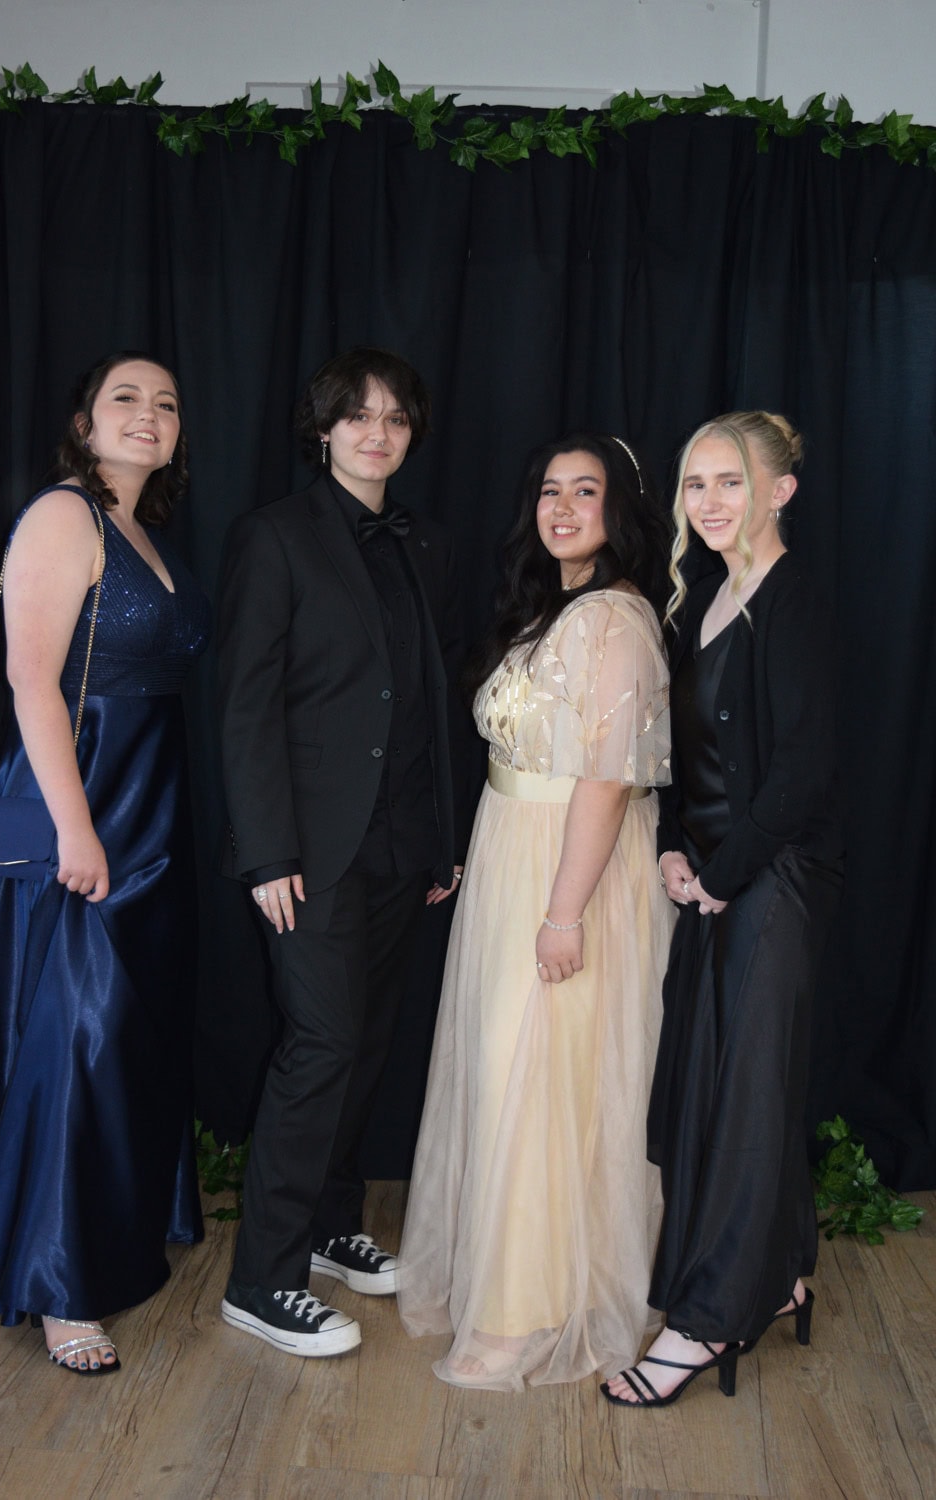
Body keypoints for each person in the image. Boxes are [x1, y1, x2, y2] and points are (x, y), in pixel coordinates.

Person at [397, 432, 675, 1390]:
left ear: (619, 509)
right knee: (509, 1075)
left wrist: (564, 913)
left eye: (584, 491)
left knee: (548, 1082)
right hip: (516, 853)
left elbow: (606, 781)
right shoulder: (553, 611)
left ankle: (527, 1313)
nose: (562, 508)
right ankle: (508, 1285)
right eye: (550, 491)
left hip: (571, 870)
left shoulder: (617, 620)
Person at [0, 353, 211, 1374]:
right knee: (76, 1032)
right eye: (125, 399)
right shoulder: (65, 516)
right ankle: (59, 1286)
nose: (149, 415)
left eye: (166, 403)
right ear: (83, 421)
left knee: (126, 1030)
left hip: (152, 801)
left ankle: (119, 1227)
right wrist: (73, 827)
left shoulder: (144, 532)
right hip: (84, 795)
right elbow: (31, 680)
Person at [216, 347, 466, 1358]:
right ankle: (261, 1281)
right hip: (308, 852)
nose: (377, 433)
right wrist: (265, 851)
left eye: (395, 418)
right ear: (323, 430)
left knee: (363, 1045)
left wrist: (443, 839)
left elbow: (433, 700)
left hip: (402, 844)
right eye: (358, 416)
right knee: (319, 1046)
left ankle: (328, 1226)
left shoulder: (424, 543)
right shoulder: (273, 536)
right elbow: (245, 705)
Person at [603, 411, 843, 1409]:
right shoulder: (701, 597)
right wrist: (671, 846)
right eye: (694, 483)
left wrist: (723, 874)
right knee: (722, 1086)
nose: (706, 502)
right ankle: (778, 1271)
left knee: (745, 1098)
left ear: (780, 491)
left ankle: (704, 1321)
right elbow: (681, 758)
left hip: (772, 881)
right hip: (712, 877)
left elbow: (802, 773)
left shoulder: (798, 604)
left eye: (729, 481)